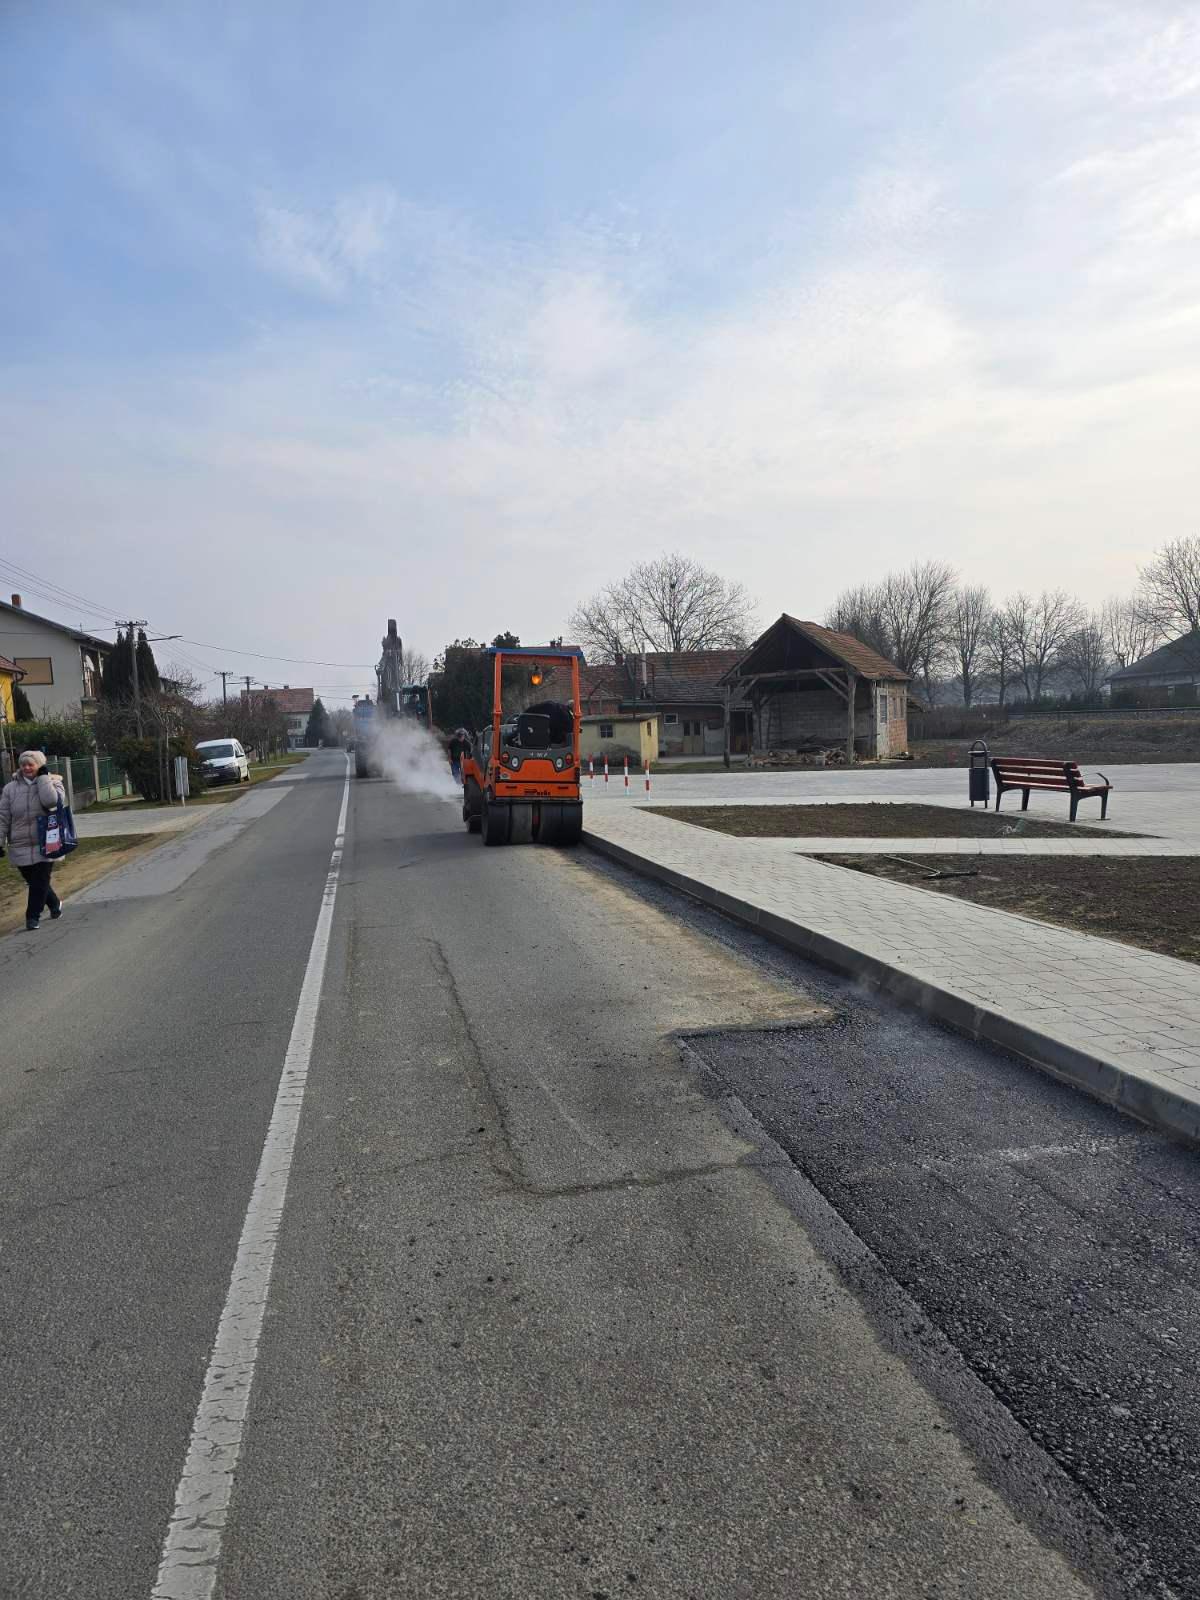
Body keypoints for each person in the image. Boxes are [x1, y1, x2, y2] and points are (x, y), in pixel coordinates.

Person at [0, 750, 67, 931]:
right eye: (23, 764)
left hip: (47, 841)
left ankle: (32, 917)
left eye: (31, 764)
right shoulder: (10, 789)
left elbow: (51, 802)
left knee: (39, 880)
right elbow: (3, 816)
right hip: (20, 844)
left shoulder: (54, 782)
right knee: (35, 881)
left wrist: (44, 779)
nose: (27, 768)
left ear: (40, 765)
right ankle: (54, 904)